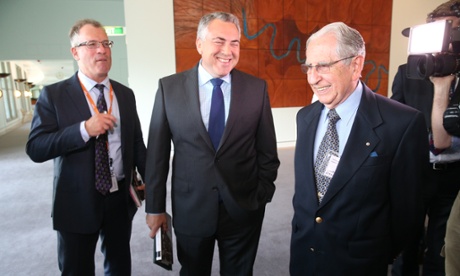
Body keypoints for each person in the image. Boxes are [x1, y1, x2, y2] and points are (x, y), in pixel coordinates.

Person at [144, 11, 280, 276]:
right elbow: (157, 158)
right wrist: (155, 208)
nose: (227, 51)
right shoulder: (169, 89)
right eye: (219, 41)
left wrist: (262, 195)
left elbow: (268, 152)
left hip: (243, 208)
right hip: (191, 208)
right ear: (199, 44)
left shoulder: (256, 89)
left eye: (235, 43)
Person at [289, 22, 429, 276]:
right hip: (303, 259)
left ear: (355, 65)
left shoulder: (402, 124)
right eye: (309, 66)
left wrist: (376, 254)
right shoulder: (305, 117)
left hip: (359, 264)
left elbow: (408, 213)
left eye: (323, 66)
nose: (312, 78)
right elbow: (306, 197)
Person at [26, 19, 146, 275]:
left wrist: (153, 188)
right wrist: (83, 130)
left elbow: (136, 143)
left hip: (118, 199)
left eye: (105, 43)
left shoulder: (124, 94)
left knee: (119, 267)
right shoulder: (54, 95)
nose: (101, 50)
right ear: (75, 52)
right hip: (76, 201)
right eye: (91, 44)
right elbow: (36, 148)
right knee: (76, 269)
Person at [390, 1, 460, 275]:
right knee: (407, 237)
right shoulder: (407, 73)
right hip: (416, 170)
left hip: (454, 175)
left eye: (450, 31)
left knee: (443, 244)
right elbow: (395, 123)